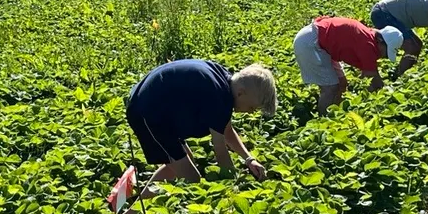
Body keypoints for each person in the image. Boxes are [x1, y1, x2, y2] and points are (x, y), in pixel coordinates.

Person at [125, 60, 278, 188]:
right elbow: (220, 151)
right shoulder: (220, 100)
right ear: (241, 93)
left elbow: (226, 130)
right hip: (147, 112)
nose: (251, 112)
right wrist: (232, 185)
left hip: (151, 104)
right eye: (251, 107)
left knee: (180, 165)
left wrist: (249, 159)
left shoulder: (224, 80)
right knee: (192, 179)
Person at [292, 15, 401, 111]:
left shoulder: (368, 37)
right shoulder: (368, 44)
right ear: (381, 42)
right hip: (311, 42)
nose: (383, 57)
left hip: (319, 41)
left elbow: (367, 76)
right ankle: (323, 121)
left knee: (341, 83)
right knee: (330, 88)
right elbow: (372, 79)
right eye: (386, 53)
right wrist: (387, 97)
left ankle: (336, 113)